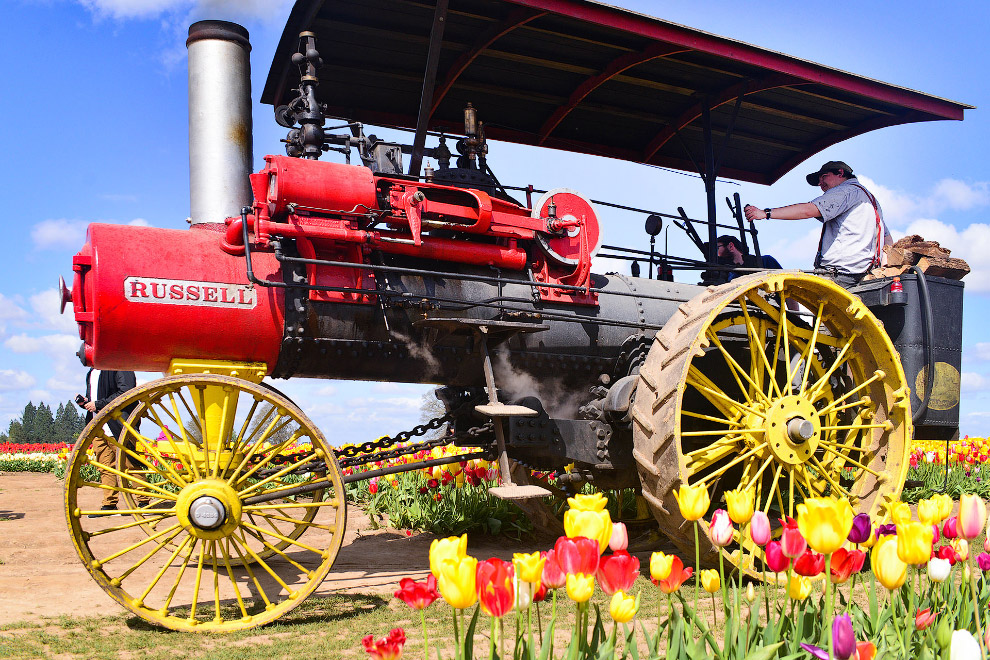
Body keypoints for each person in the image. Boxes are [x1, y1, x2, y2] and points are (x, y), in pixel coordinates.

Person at [743, 160, 891, 287]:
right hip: (863, 274)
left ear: (840, 173)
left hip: (839, 274)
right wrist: (884, 267)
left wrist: (765, 213)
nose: (820, 183)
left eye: (824, 177)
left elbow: (809, 210)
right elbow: (887, 238)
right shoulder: (870, 199)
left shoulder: (845, 191)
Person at [79, 366, 138, 515]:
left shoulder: (120, 366)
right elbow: (95, 398)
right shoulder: (91, 372)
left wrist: (98, 404)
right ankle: (109, 503)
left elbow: (127, 392)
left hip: (119, 424)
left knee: (130, 464)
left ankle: (143, 501)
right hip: (99, 426)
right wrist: (86, 402)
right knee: (104, 466)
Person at [715, 235, 782, 280]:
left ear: (731, 246)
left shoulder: (766, 261)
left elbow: (788, 286)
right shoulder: (726, 274)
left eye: (717, 248)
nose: (716, 253)